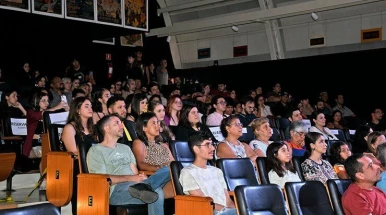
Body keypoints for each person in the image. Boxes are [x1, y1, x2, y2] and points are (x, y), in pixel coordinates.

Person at [87, 114, 168, 215]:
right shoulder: (96, 151)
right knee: (157, 190)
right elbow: (101, 179)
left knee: (167, 170)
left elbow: (135, 173)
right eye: (117, 123)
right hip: (116, 191)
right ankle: (146, 186)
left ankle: (146, 186)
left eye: (121, 123)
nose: (122, 126)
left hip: (136, 187)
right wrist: (131, 178)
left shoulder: (125, 148)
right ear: (107, 128)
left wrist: (140, 178)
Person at [179, 131, 237, 215]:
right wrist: (229, 210)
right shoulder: (188, 172)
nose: (213, 148)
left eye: (212, 144)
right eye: (207, 145)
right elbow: (204, 202)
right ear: (196, 149)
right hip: (208, 212)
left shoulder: (217, 171)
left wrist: (238, 210)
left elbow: (227, 199)